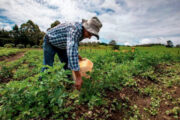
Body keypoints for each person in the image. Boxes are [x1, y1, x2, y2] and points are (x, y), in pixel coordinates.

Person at [42, 16, 102, 90]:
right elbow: (71, 51)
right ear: (86, 28)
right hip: (50, 41)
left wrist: (77, 55)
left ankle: (69, 83)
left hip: (63, 45)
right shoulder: (75, 29)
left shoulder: (82, 32)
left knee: (67, 64)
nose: (89, 37)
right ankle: (42, 87)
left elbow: (72, 46)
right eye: (89, 34)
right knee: (48, 66)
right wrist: (78, 77)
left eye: (91, 35)